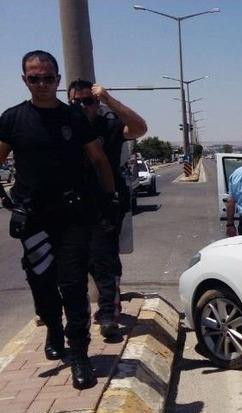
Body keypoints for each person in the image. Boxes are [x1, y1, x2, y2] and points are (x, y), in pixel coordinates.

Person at [0, 50, 118, 390]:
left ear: (58, 79)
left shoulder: (75, 118)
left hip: (72, 217)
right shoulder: (12, 119)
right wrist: (9, 201)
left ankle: (80, 353)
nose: (42, 83)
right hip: (33, 218)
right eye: (34, 78)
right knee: (40, 280)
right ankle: (52, 327)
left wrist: (109, 201)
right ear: (25, 80)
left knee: (73, 285)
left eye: (48, 77)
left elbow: (99, 161)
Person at [68, 79, 147, 338]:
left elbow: (139, 128)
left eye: (88, 100)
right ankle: (88, 311)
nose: (82, 106)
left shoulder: (109, 125)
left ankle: (107, 313)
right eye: (76, 101)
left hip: (106, 202)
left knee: (104, 259)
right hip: (72, 205)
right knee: (81, 262)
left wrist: (109, 100)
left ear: (96, 103)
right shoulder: (64, 127)